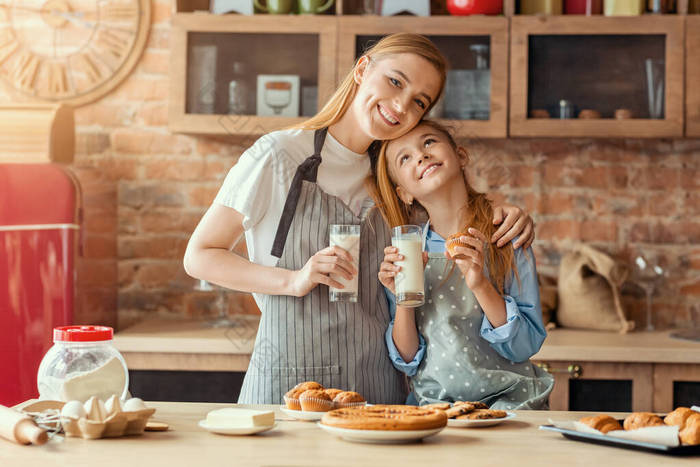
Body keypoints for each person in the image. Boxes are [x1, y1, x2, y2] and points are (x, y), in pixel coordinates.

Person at [183, 33, 535, 405]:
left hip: (377, 391)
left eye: (418, 101)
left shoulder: (394, 176)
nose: (400, 106)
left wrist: (502, 215)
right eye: (395, 81)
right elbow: (200, 255)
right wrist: (293, 279)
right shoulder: (278, 155)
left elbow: (448, 215)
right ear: (363, 69)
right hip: (288, 386)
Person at [374, 120, 553, 409]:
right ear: (404, 193)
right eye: (404, 158)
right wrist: (403, 299)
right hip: (436, 407)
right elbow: (407, 361)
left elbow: (525, 347)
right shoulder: (406, 254)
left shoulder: (506, 237)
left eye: (429, 142)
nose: (420, 155)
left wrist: (480, 284)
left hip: (511, 404)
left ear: (460, 155)